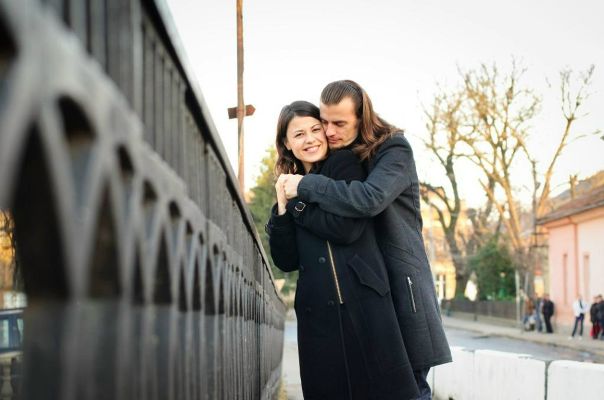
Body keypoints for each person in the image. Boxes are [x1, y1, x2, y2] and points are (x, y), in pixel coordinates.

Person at [280, 80, 452, 399]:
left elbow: (369, 199)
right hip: (369, 290)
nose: (329, 132)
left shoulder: (394, 149)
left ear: (362, 118)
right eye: (324, 122)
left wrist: (304, 187)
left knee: (410, 388)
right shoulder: (344, 156)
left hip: (400, 288)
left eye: (339, 123)